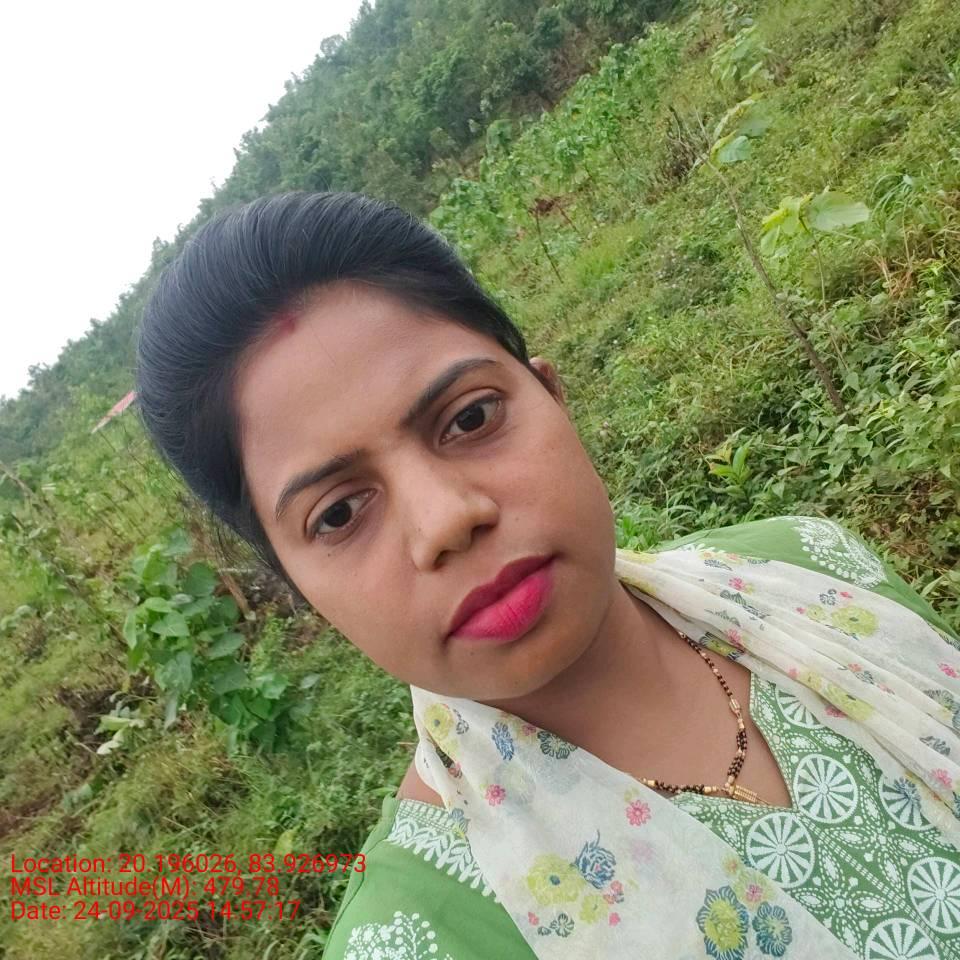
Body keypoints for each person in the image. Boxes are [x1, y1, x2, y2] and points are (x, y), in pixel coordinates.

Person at [136, 191, 960, 960]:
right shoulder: (419, 933)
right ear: (301, 591)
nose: (445, 519)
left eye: (469, 417)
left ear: (552, 394)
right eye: (341, 513)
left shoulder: (811, 566)